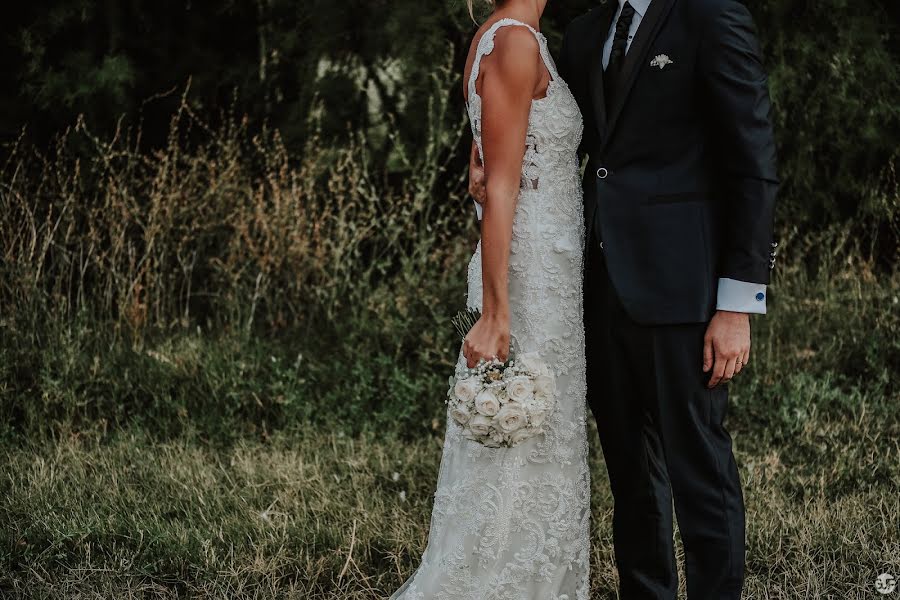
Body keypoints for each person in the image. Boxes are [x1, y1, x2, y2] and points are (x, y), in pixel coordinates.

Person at [469, 0, 779, 597]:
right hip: (597, 288)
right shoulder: (586, 33)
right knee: (632, 480)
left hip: (685, 290)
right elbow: (532, 125)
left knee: (699, 472)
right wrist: (477, 155)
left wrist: (737, 303)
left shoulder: (711, 17)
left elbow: (754, 161)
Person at [389, 0, 591, 598]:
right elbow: (501, 187)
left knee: (536, 430)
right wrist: (497, 312)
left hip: (546, 266)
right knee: (526, 423)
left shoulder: (503, 36)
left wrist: (483, 183)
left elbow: (494, 170)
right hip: (528, 277)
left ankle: (526, 574)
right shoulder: (513, 42)